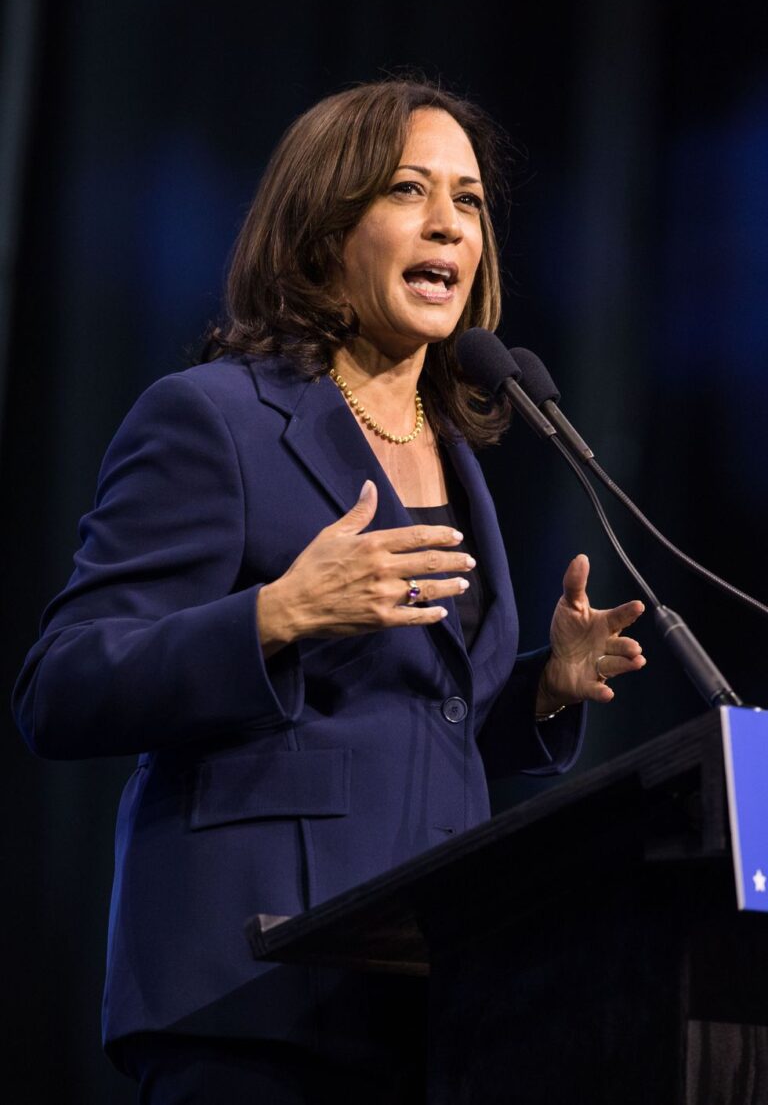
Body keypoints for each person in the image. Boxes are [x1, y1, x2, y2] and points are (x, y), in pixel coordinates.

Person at [13, 78, 646, 1103]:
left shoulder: (455, 452)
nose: (449, 222)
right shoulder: (212, 420)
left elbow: (400, 730)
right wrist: (276, 615)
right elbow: (61, 685)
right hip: (249, 993)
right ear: (323, 231)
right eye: (408, 190)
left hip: (426, 994)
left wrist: (541, 692)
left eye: (469, 200)